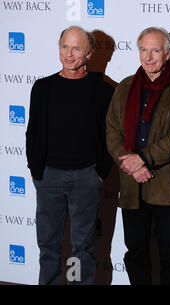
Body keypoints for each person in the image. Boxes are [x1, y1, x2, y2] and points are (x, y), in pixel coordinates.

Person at [25, 26, 114, 284]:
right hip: (48, 178)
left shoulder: (103, 91)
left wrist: (99, 174)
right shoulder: (43, 87)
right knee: (48, 246)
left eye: (76, 48)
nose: (69, 54)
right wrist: (36, 172)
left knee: (81, 249)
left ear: (89, 53)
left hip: (86, 178)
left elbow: (110, 137)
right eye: (65, 46)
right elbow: (33, 132)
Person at [106, 27, 170, 285]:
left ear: (167, 53)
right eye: (144, 49)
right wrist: (131, 165)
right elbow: (112, 131)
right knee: (136, 254)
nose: (149, 56)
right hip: (133, 188)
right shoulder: (125, 87)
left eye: (156, 50)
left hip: (167, 188)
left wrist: (142, 158)